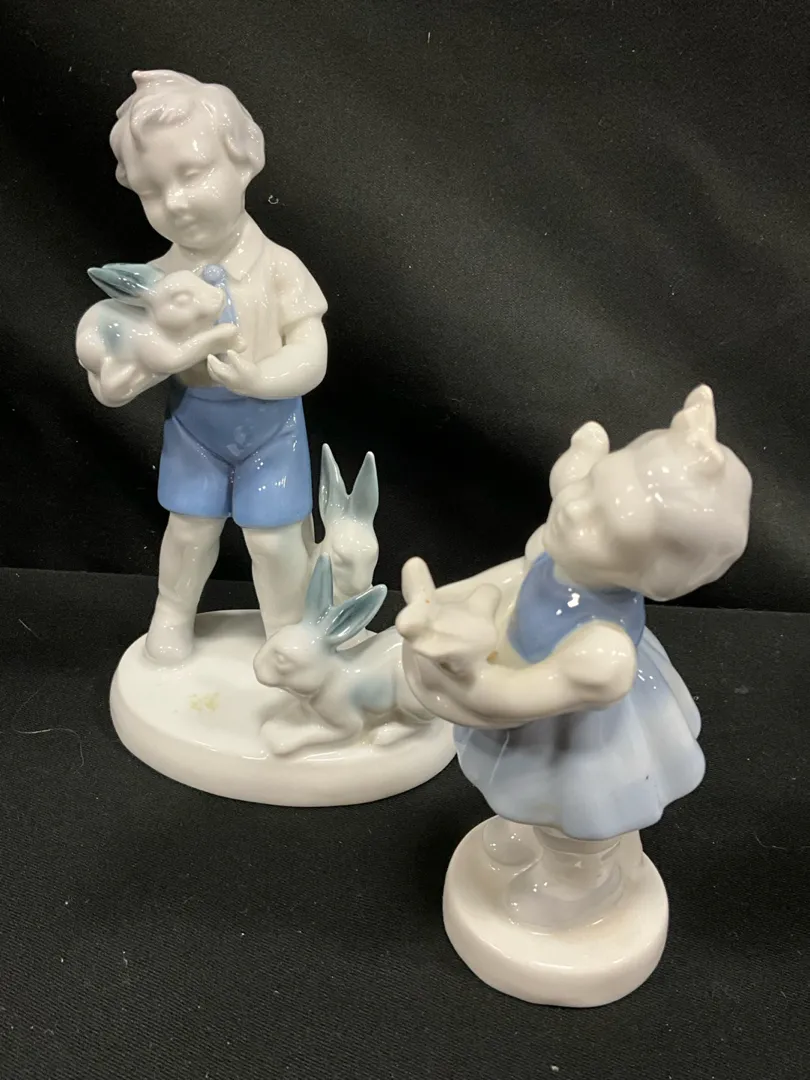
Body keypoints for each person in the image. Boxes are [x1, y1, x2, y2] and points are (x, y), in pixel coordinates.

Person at [396, 386, 752, 842]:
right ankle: (531, 828)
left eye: (606, 526)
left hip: (581, 736)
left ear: (656, 579)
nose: (573, 506)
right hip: (524, 665)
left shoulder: (601, 655)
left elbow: (507, 699)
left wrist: (463, 675)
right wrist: (448, 604)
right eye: (595, 483)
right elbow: (547, 520)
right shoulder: (564, 546)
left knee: (578, 811)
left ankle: (582, 871)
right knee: (524, 790)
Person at [84, 69, 328, 664]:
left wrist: (263, 379)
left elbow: (311, 350)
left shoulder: (279, 267)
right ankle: (171, 612)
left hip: (271, 428)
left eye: (192, 174)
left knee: (274, 540)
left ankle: (287, 633)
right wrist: (119, 375)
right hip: (196, 428)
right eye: (151, 191)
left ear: (246, 159)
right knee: (189, 531)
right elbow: (127, 360)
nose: (175, 202)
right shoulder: (155, 282)